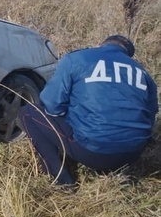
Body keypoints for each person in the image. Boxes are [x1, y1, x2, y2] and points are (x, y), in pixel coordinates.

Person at [19, 35, 158, 186]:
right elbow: (149, 118)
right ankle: (108, 169)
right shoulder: (143, 73)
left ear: (101, 44)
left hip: (93, 151)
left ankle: (61, 180)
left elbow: (51, 104)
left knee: (27, 112)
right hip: (133, 153)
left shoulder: (76, 59)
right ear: (127, 54)